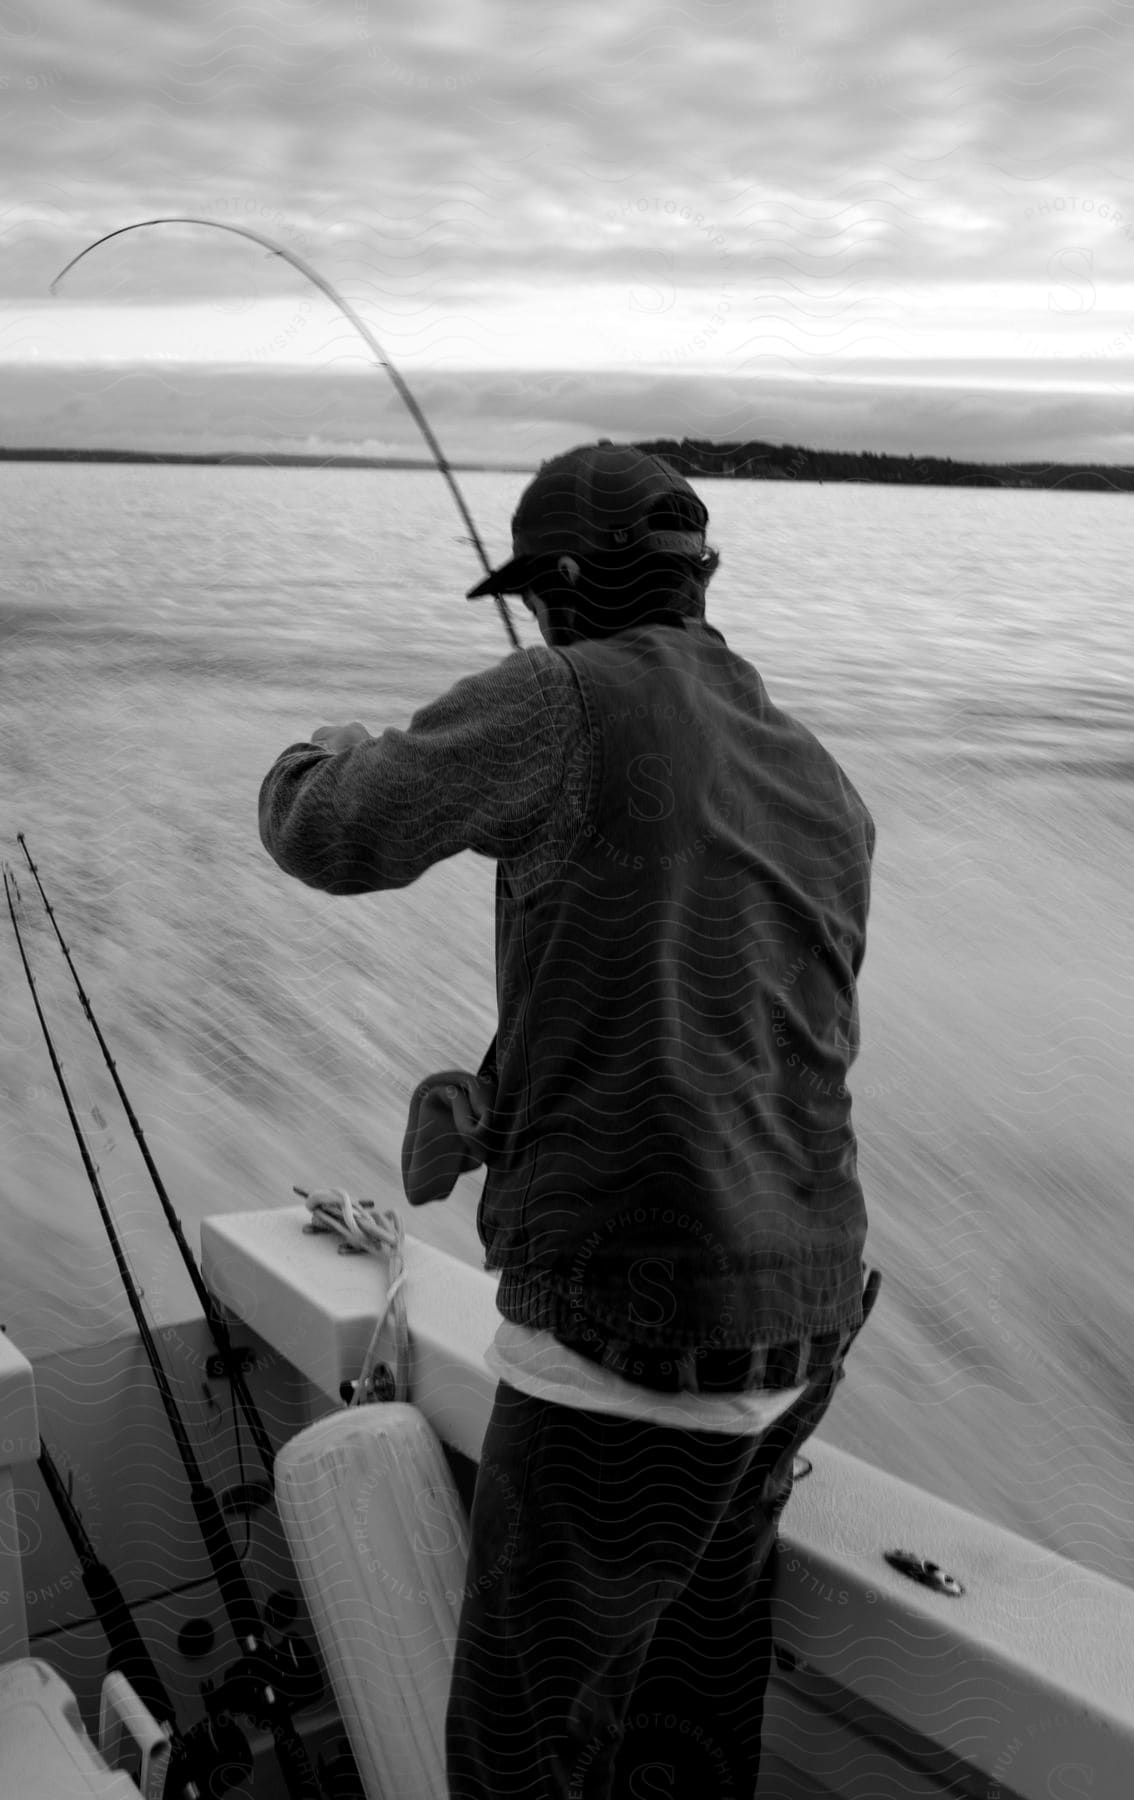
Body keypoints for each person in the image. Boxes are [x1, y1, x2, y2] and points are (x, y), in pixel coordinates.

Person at [258, 440, 880, 1800]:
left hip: (633, 1339)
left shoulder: (556, 698)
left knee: (518, 1761)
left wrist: (330, 753)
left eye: (539, 601)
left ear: (561, 589)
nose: (535, 624)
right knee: (684, 1740)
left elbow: (329, 837)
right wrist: (502, 1098)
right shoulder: (817, 773)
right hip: (804, 1323)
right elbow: (723, 1033)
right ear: (693, 580)